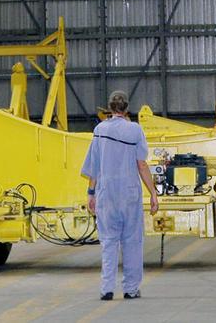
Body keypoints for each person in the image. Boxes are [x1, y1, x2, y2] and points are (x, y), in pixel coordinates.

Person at [81, 90, 159, 301]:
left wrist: (91, 193)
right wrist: (153, 193)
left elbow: (94, 166)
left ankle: (106, 288)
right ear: (126, 109)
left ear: (110, 108)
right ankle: (131, 289)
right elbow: (141, 164)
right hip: (129, 195)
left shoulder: (99, 130)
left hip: (106, 194)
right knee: (132, 242)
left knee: (108, 242)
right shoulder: (135, 130)